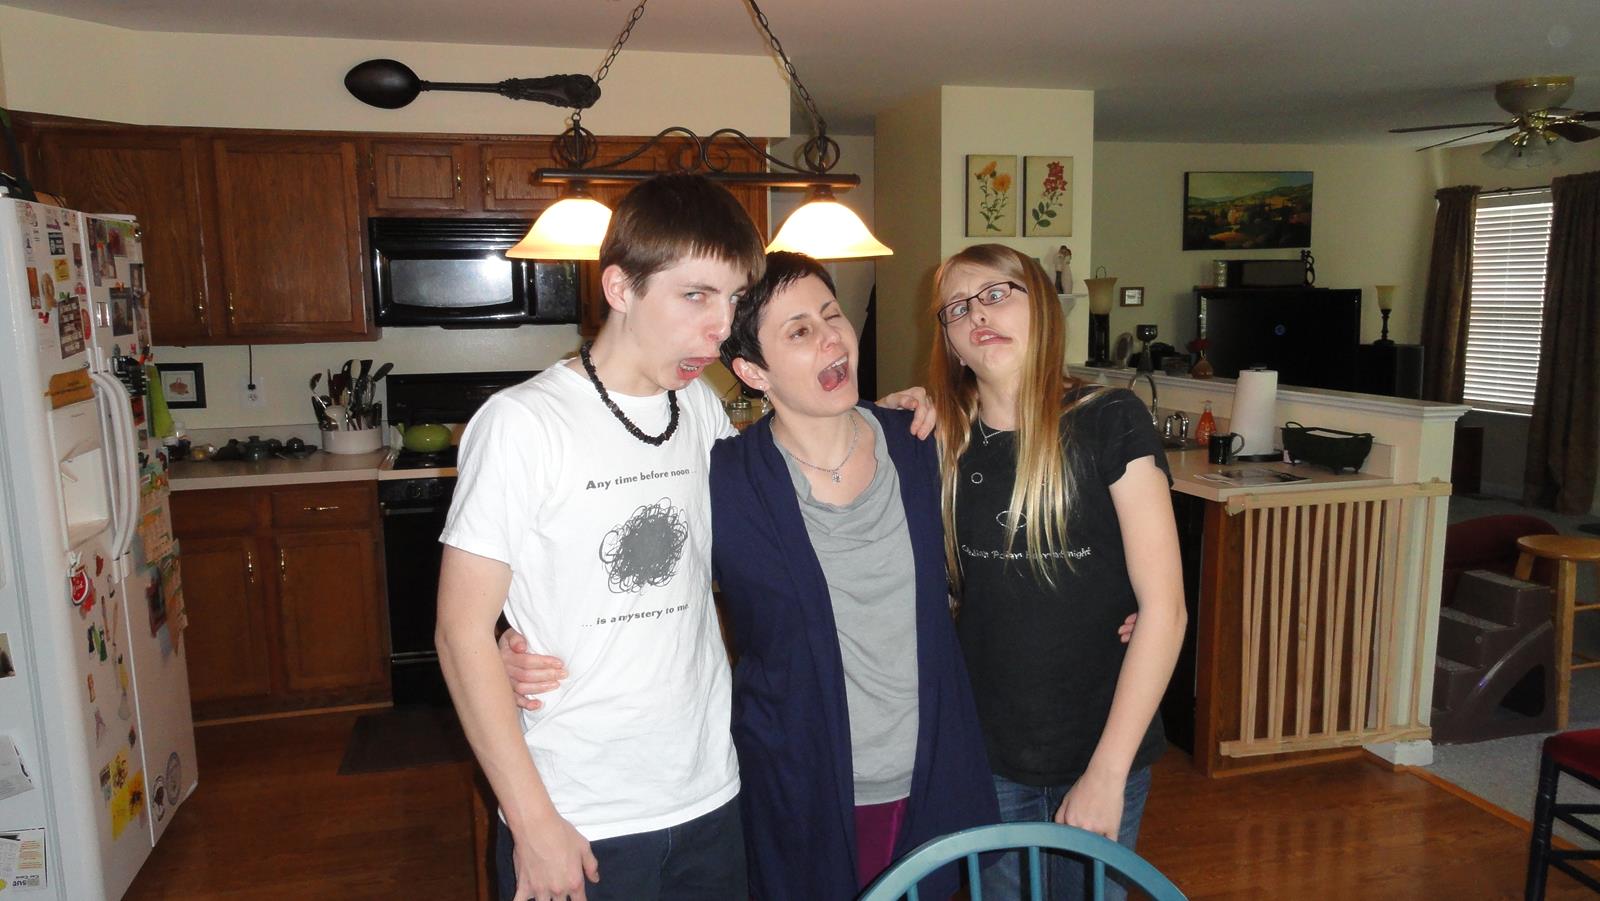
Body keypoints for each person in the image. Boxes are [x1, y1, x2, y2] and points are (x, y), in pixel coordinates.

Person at [436, 173, 766, 901]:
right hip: (576, 811)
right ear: (620, 287)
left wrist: (876, 423)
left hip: (708, 792)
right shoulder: (523, 424)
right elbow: (459, 633)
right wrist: (533, 822)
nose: (721, 326)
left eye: (735, 298)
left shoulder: (701, 408)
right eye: (696, 295)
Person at [710, 252, 998, 898]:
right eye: (799, 330)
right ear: (753, 371)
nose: (832, 337)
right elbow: (651, 595)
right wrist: (514, 640)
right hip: (803, 793)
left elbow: (1014, 535)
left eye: (831, 315)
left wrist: (1114, 601)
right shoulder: (726, 481)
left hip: (931, 780)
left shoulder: (918, 440)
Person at [927, 244, 1186, 901]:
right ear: (950, 341)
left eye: (996, 294)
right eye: (957, 307)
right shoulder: (936, 441)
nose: (977, 313)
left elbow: (1166, 608)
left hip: (1101, 745)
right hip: (984, 753)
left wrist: (1107, 771)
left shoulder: (1110, 420)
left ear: (1041, 307)